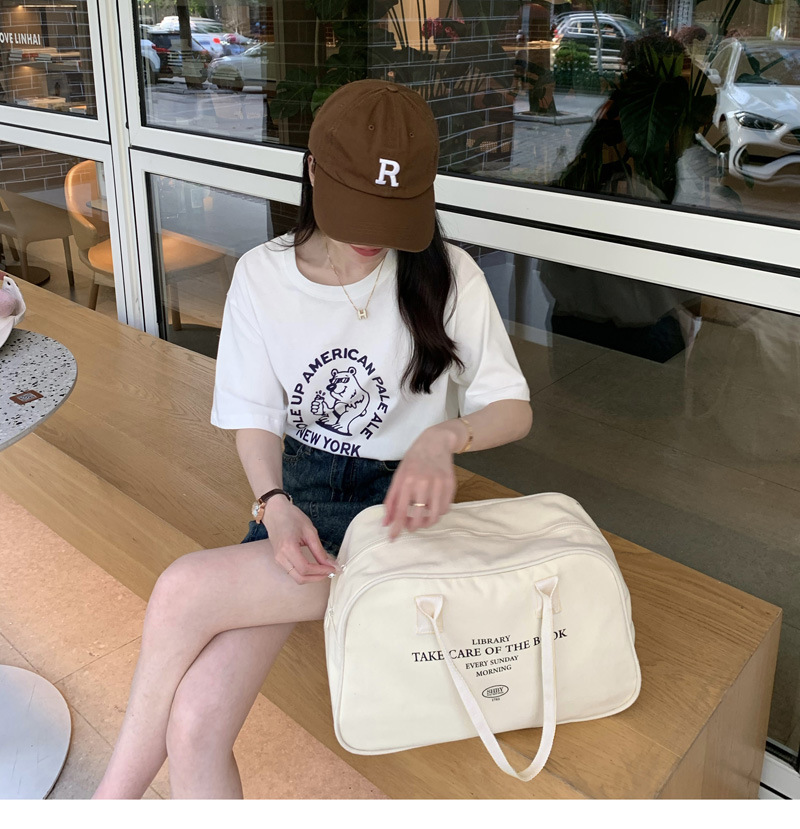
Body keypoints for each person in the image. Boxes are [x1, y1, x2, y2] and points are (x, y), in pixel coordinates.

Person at [92, 79, 532, 799]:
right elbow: (256, 416)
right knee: (196, 722)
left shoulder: (449, 275)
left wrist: (445, 437)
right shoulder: (263, 277)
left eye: (393, 213)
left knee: (180, 591)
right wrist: (272, 502)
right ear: (313, 172)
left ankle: (108, 803)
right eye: (359, 207)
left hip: (398, 514)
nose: (372, 237)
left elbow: (512, 407)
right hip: (299, 496)